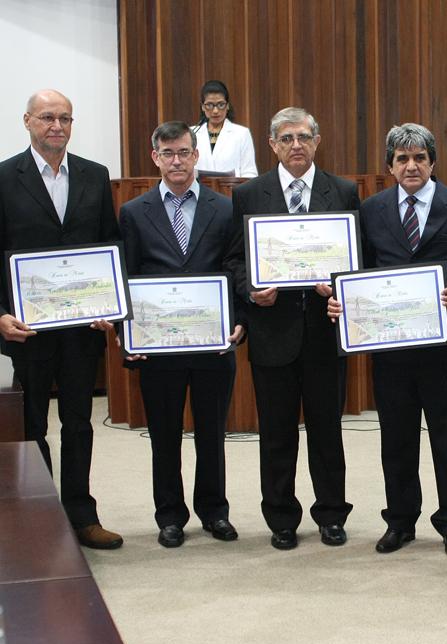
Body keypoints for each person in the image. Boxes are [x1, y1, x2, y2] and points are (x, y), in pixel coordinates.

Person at [327, 123, 447, 557]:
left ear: (432, 162)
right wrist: (343, 302)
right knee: (397, 438)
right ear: (389, 166)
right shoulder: (370, 210)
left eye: (420, 158)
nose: (412, 166)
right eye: (402, 159)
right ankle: (401, 521)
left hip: (443, 345)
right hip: (390, 349)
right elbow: (360, 269)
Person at [226, 107, 358, 550]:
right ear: (272, 145)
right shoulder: (248, 195)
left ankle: (331, 515)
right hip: (272, 332)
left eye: (303, 136)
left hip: (325, 332)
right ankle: (281, 517)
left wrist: (339, 284)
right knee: (276, 434)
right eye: (286, 138)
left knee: (327, 432)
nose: (295, 145)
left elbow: (357, 258)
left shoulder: (342, 191)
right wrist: (251, 290)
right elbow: (235, 260)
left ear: (317, 141)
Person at [0, 89, 123, 549]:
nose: (57, 126)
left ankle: (81, 514)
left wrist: (110, 306)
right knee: (31, 426)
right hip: (27, 330)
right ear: (27, 121)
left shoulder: (94, 175)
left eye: (65, 118)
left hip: (81, 330)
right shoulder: (3, 177)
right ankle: (39, 517)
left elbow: (110, 246)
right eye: (48, 117)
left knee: (79, 423)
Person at [118, 121, 246, 548]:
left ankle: (214, 512)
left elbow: (234, 270)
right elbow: (128, 277)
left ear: (197, 156)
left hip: (212, 345)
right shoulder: (134, 212)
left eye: (185, 152)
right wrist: (127, 336)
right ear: (155, 158)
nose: (177, 160)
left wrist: (238, 320)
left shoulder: (224, 208)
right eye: (168, 153)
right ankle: (170, 515)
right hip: (159, 349)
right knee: (164, 434)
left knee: (212, 432)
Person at [193, 80, 258, 178]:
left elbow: (249, 173)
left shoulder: (242, 133)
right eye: (209, 105)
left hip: (232, 191)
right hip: (200, 191)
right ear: (203, 107)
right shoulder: (191, 133)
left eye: (221, 104)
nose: (215, 111)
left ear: (227, 106)